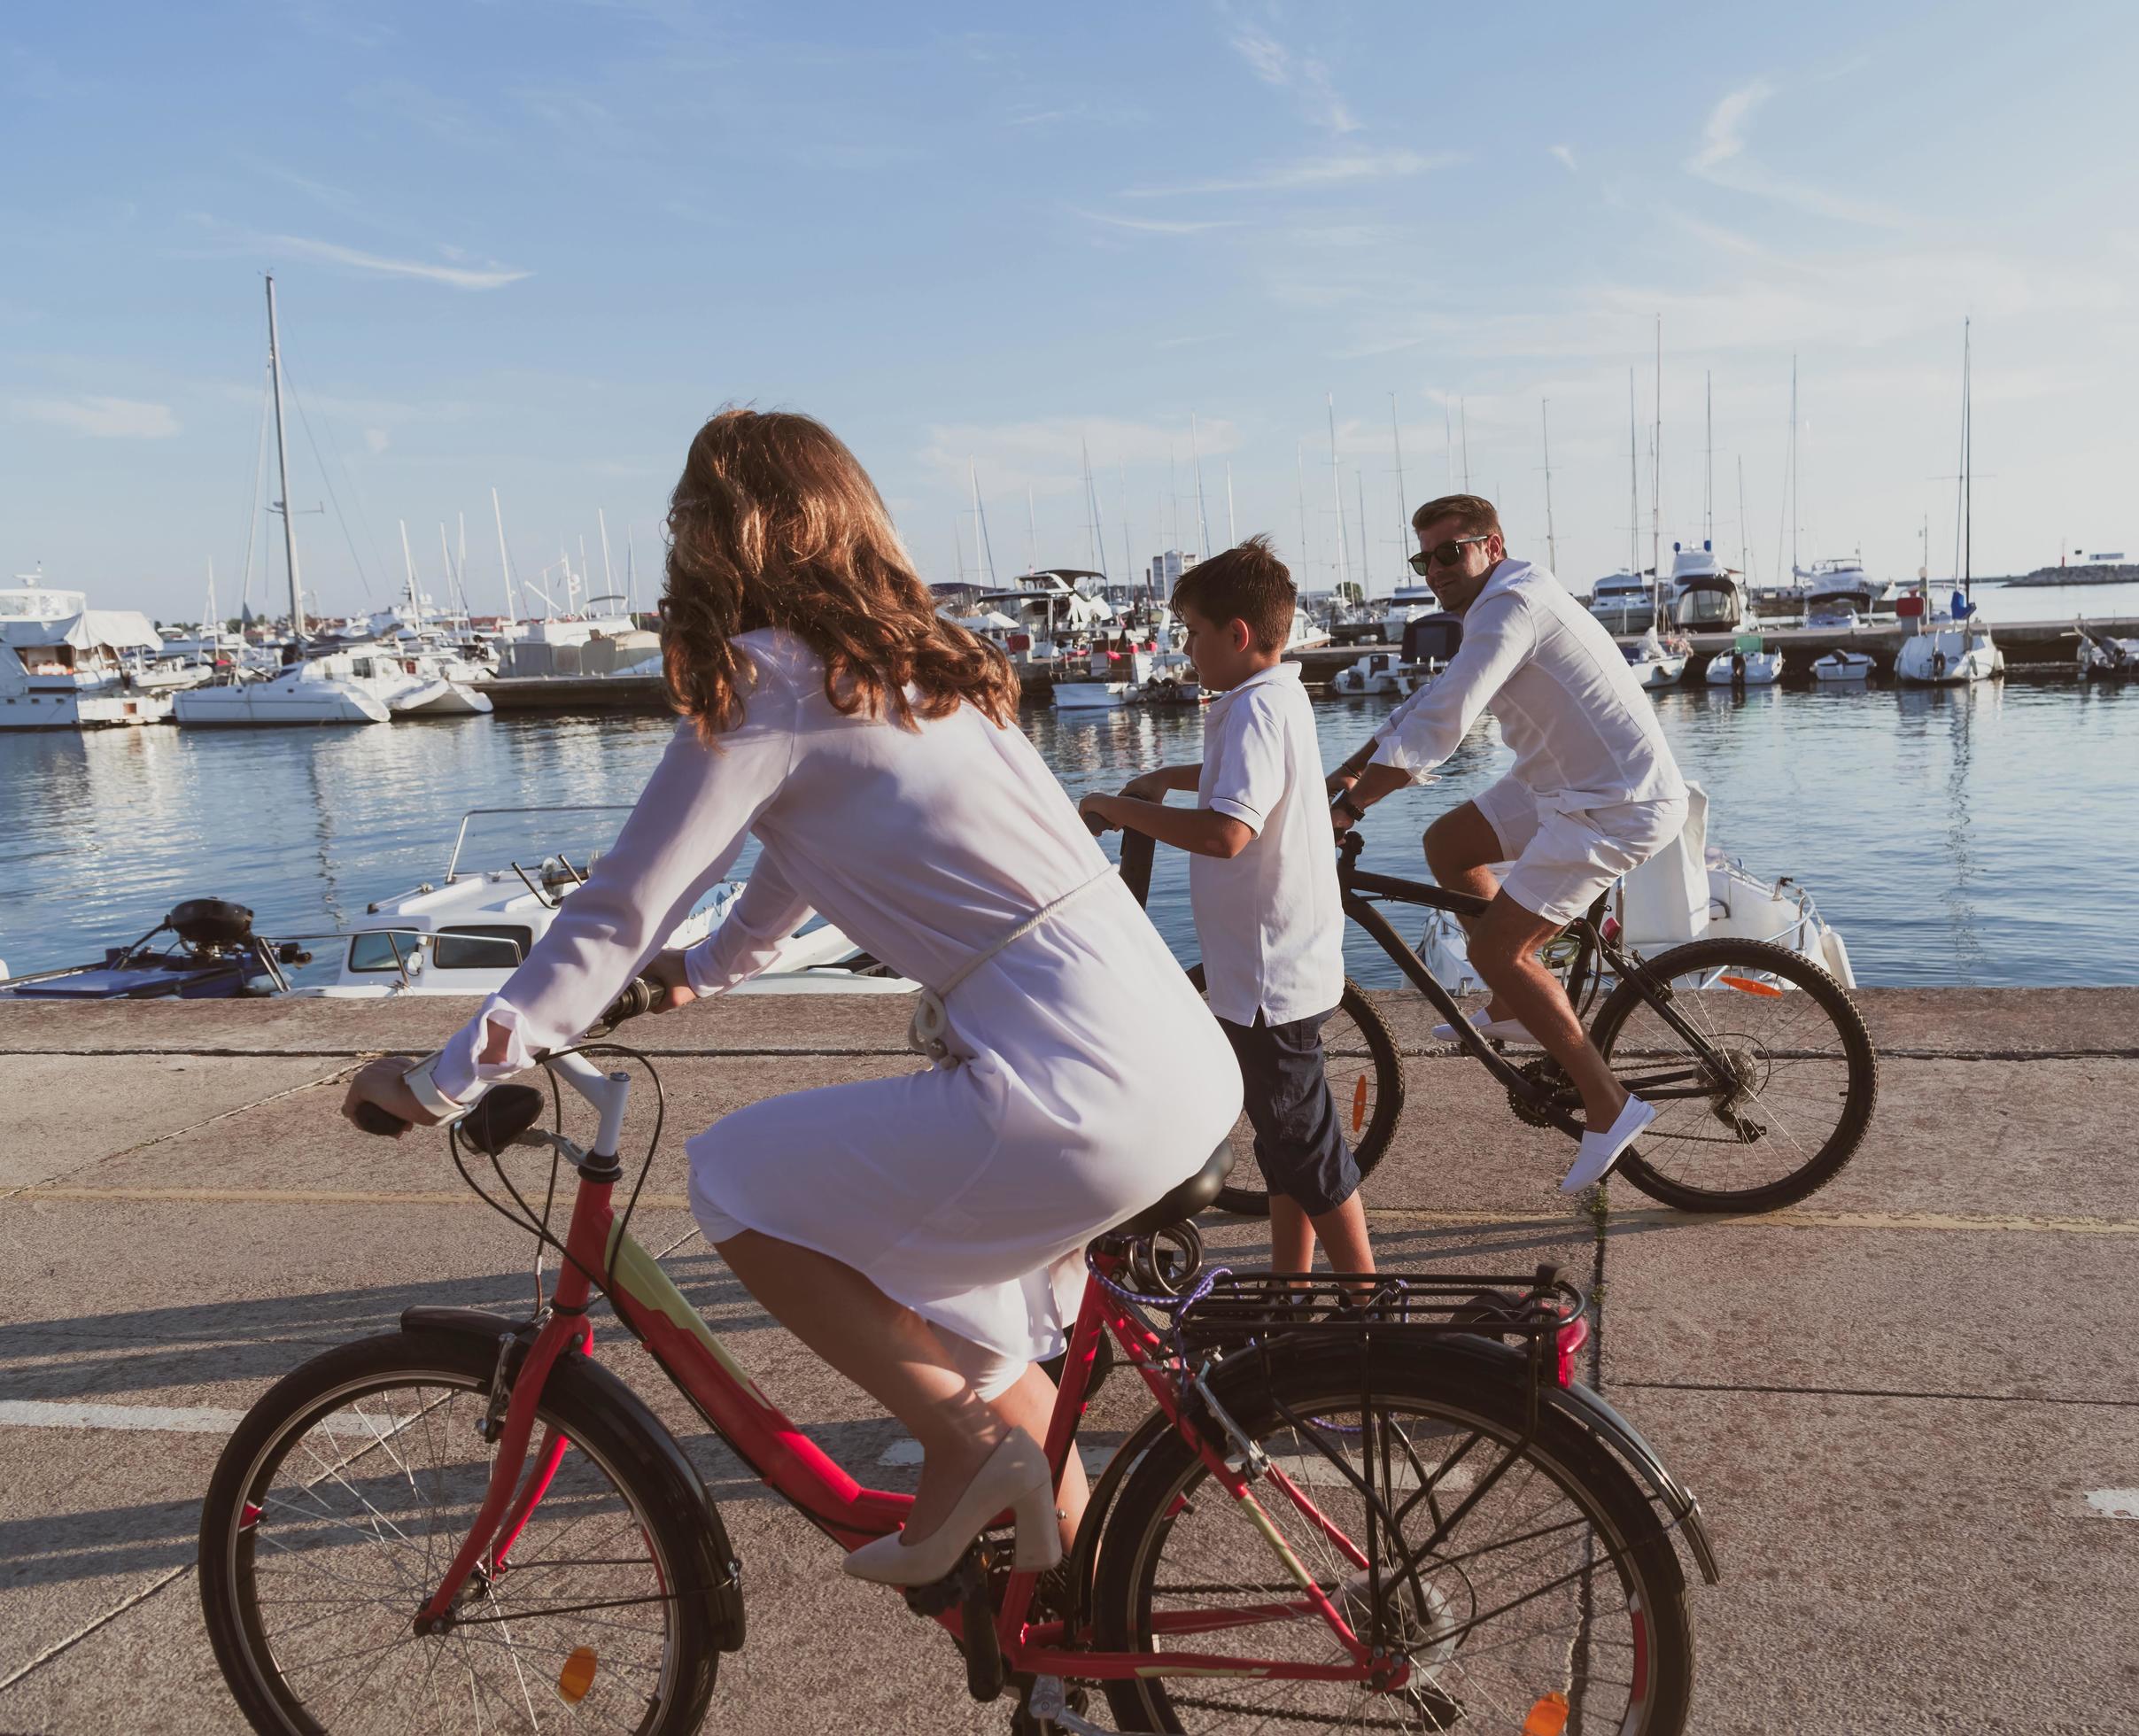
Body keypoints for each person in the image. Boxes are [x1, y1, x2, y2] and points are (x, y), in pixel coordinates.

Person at [339, 409, 1240, 1586]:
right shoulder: (916, 673)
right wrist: (701, 974)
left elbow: (616, 912)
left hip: (1074, 1088)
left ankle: (964, 1453)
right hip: (1173, 1057)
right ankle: (1062, 1637)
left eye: (689, 524)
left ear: (730, 536)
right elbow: (790, 855)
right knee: (981, 1353)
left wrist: (443, 1080)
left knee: (740, 1181)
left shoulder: (769, 681)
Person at [1327, 494, 1686, 1194]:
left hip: (1616, 804)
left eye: (1448, 553)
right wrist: (1353, 763)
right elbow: (1425, 705)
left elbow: (1448, 719)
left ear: (1491, 546)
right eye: (1422, 558)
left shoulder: (1509, 607)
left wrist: (1350, 807)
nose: (1434, 570)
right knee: (1449, 843)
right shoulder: (1502, 600)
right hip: (1560, 782)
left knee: (1498, 948)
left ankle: (1609, 1107)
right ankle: (1515, 1005)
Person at [1079, 537, 1374, 1284]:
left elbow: (1227, 832)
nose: (1185, 649)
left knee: (1307, 1151)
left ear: (1237, 635)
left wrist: (1119, 807)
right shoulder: (1278, 696)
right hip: (1284, 961)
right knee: (1284, 1144)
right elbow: (1235, 782)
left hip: (1268, 975)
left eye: (1193, 632)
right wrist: (1162, 780)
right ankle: (1291, 1289)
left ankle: (1369, 1305)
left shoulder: (1249, 712)